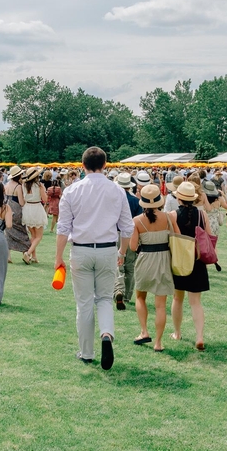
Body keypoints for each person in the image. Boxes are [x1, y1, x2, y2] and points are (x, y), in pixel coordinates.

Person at [55, 147, 133, 369]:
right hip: (108, 249)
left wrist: (58, 257)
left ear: (83, 166)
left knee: (84, 302)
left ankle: (86, 351)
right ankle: (106, 334)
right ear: (105, 165)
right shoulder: (117, 190)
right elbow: (127, 228)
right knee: (105, 299)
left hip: (81, 249)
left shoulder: (72, 191)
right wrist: (122, 252)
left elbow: (63, 228)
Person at [130, 184, 175, 351]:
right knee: (160, 305)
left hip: (145, 260)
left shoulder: (137, 221)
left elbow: (133, 247)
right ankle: (158, 342)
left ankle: (144, 331)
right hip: (164, 261)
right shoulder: (169, 217)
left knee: (140, 297)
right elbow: (177, 238)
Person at [169, 182, 209, 350]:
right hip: (197, 260)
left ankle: (177, 332)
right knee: (196, 302)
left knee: (178, 298)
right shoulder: (202, 214)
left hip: (179, 260)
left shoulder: (172, 215)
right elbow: (208, 236)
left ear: (178, 197)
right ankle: (199, 336)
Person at [113, 173, 141, 309]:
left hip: (114, 234)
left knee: (117, 264)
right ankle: (127, 295)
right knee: (130, 266)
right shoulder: (135, 201)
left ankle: (119, 289)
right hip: (130, 234)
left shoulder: (112, 199)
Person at [21, 167, 49, 263]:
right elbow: (45, 199)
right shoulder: (39, 185)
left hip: (27, 208)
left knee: (33, 235)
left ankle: (34, 256)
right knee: (38, 236)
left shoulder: (24, 185)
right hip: (36, 207)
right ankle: (28, 253)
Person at [3, 166, 32, 262]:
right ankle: (26, 253)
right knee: (22, 231)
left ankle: (7, 256)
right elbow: (21, 202)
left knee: (8, 232)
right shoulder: (18, 186)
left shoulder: (6, 185)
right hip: (16, 209)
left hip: (6, 208)